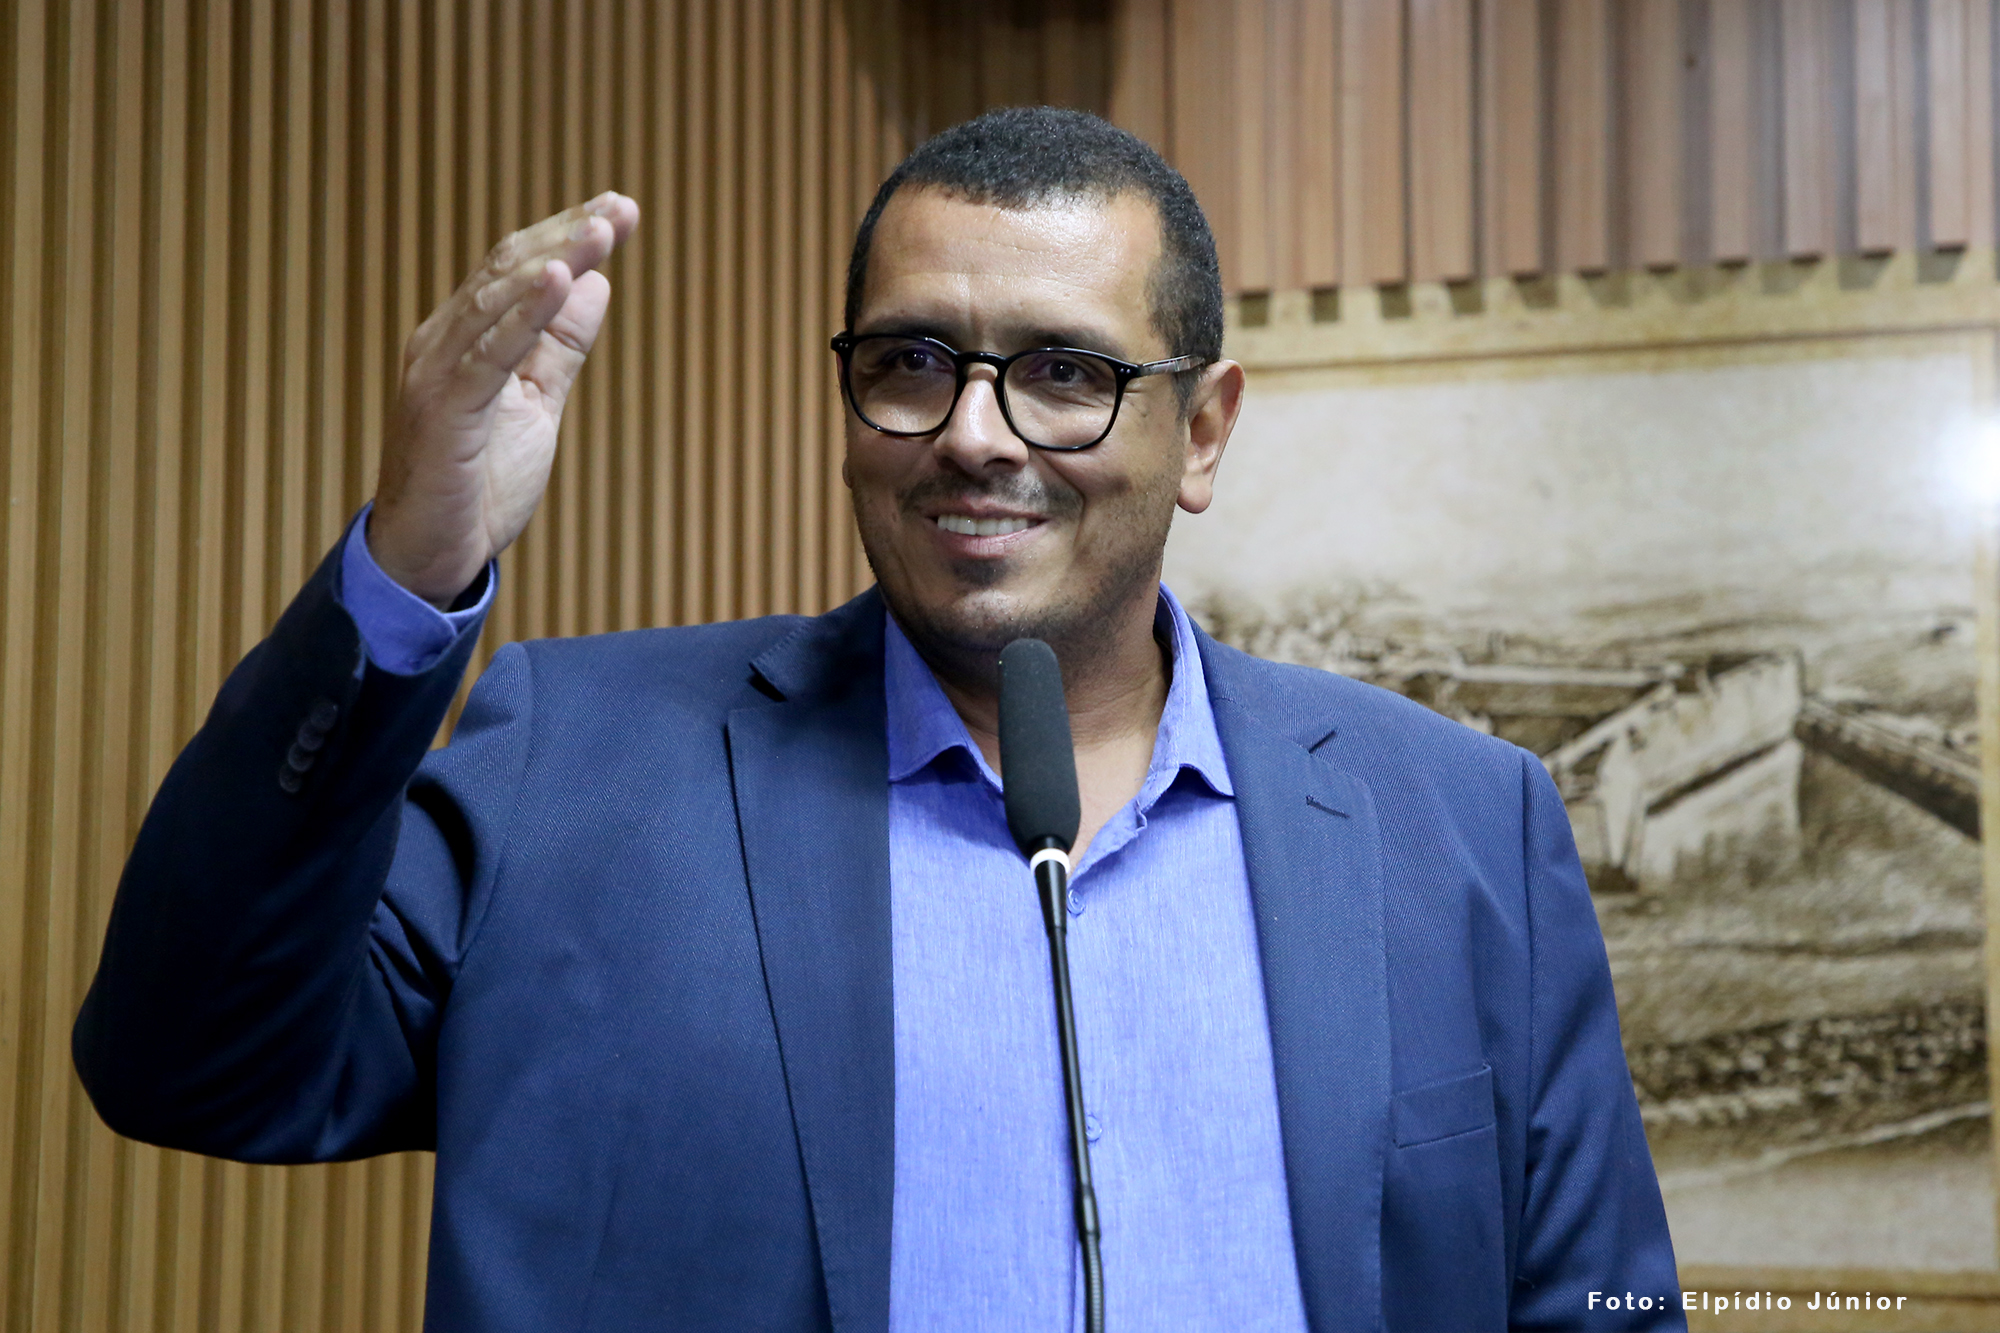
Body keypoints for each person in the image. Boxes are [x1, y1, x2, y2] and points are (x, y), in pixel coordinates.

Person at [75, 108, 1680, 1331]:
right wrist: (414, 563)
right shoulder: (580, 762)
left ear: (1203, 430)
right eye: (914, 360)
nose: (975, 434)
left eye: (1065, 372)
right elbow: (189, 1062)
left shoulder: (1461, 825)